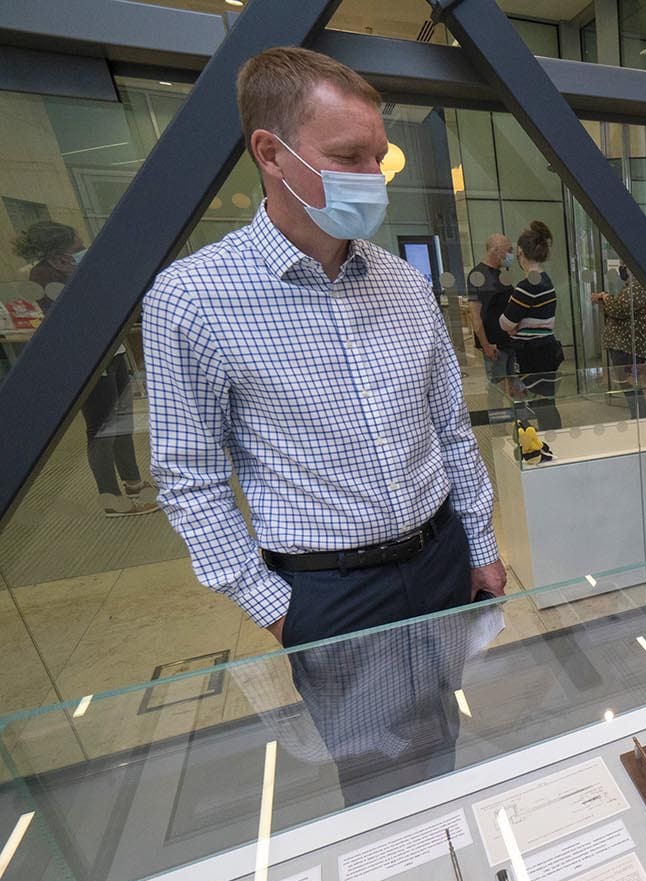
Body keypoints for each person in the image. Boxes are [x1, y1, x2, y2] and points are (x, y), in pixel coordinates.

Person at [142, 48, 505, 796]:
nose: (371, 177)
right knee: (374, 771)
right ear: (270, 153)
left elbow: (450, 430)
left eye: (377, 157)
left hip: (439, 556)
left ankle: (454, 856)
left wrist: (481, 541)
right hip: (329, 588)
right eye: (346, 156)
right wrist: (277, 609)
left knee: (442, 729)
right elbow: (189, 478)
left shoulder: (405, 285)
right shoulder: (193, 299)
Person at [14, 221, 159, 518]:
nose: (81, 244)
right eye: (74, 242)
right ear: (58, 246)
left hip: (112, 349)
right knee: (101, 428)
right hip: (87, 356)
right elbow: (71, 312)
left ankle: (132, 481)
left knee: (122, 421)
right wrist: (76, 278)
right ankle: (111, 497)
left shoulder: (77, 265)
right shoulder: (43, 274)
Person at [499, 221, 563, 431]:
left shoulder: (526, 287)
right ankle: (551, 440)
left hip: (529, 354)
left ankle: (531, 445)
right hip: (546, 348)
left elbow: (505, 323)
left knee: (525, 400)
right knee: (546, 401)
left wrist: (515, 326)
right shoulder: (546, 280)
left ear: (520, 253)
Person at [591, 263, 646, 418]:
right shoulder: (633, 287)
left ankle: (639, 418)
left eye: (625, 265)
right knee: (630, 385)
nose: (622, 268)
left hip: (628, 347)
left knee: (631, 385)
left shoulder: (638, 288)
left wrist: (604, 297)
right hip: (625, 346)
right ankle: (638, 417)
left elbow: (619, 309)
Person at [467, 232, 515, 386]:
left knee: (513, 386)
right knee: (497, 387)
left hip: (509, 342)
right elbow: (476, 316)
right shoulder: (478, 275)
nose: (510, 255)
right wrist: (486, 345)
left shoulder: (501, 275)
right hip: (494, 345)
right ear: (496, 250)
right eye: (509, 250)